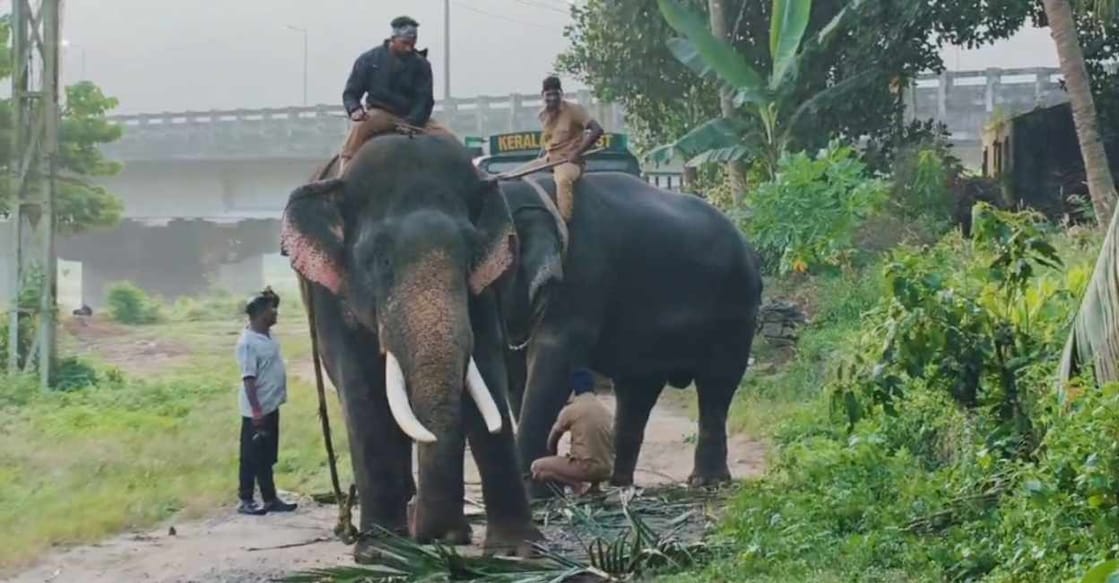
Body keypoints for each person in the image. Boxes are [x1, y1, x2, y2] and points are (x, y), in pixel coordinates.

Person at [339, 15, 454, 172]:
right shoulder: (369, 59)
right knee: (358, 129)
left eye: (412, 44)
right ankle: (341, 175)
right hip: (380, 113)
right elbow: (351, 93)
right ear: (393, 38)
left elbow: (425, 100)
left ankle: (476, 176)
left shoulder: (421, 65)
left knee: (449, 138)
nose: (409, 48)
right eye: (405, 43)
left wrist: (412, 121)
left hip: (414, 118)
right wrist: (354, 109)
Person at [235, 287, 298, 515]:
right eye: (272, 310)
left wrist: (271, 297)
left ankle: (270, 499)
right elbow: (248, 379)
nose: (276, 313)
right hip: (257, 409)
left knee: (266, 455)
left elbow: (271, 305)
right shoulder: (248, 343)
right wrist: (257, 411)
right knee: (252, 456)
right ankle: (246, 499)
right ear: (262, 315)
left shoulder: (265, 334)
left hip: (270, 405)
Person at [530, 368, 615, 495]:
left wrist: (553, 456)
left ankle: (578, 485)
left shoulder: (571, 409)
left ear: (573, 391)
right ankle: (594, 488)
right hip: (607, 468)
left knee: (537, 468)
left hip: (586, 468)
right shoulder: (605, 410)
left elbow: (552, 441)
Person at [537, 75, 604, 222]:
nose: (553, 98)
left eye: (556, 94)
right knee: (518, 175)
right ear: (543, 96)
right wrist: (541, 159)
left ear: (561, 94)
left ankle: (563, 222)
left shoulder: (574, 110)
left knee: (562, 180)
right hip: (550, 160)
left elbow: (597, 130)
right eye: (549, 95)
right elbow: (549, 142)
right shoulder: (543, 115)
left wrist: (577, 152)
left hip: (569, 162)